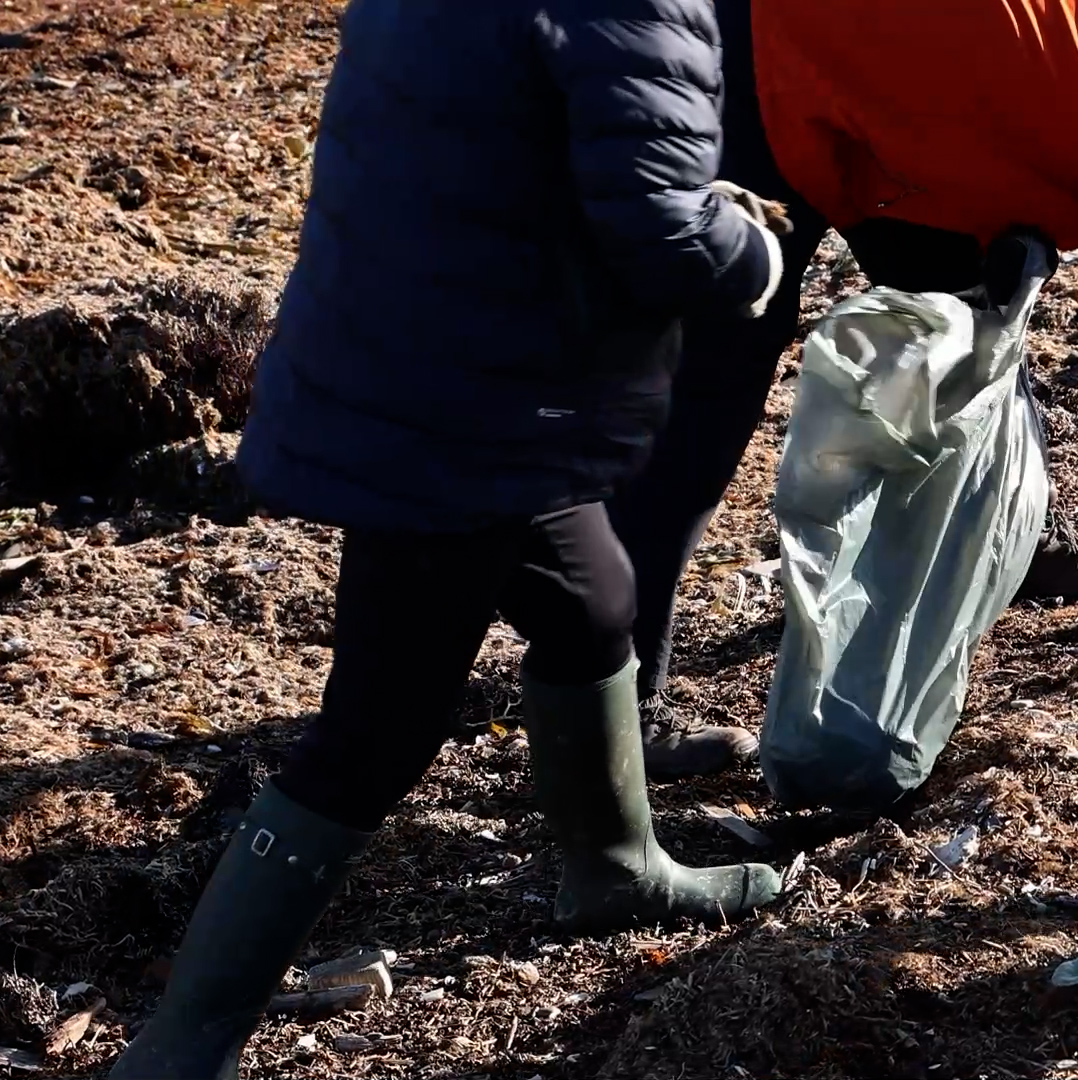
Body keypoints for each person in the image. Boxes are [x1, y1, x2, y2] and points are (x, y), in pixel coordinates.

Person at [108, 0, 792, 1074]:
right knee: (376, 731)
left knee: (592, 598)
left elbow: (511, 141)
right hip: (460, 411)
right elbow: (654, 227)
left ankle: (614, 869)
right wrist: (743, 252)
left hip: (434, 354)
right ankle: (180, 1047)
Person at [606, 0, 1078, 775]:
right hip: (765, 62)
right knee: (713, 382)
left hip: (876, 85)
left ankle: (1018, 536)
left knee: (965, 306)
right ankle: (617, 705)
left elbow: (1015, 80)